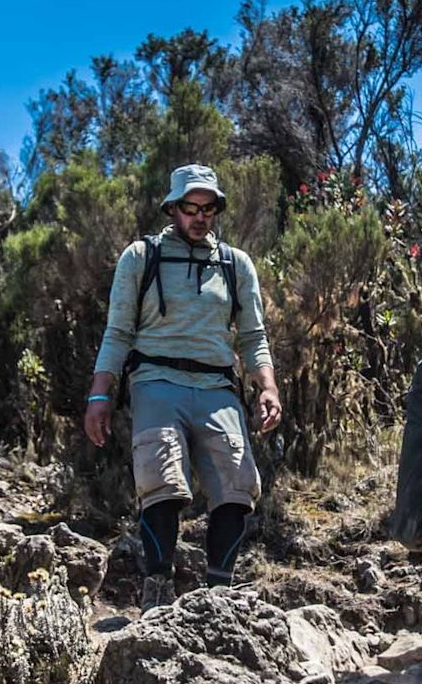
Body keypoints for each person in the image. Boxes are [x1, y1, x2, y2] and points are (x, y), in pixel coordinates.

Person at [84, 164, 282, 612]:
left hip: (217, 385)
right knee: (162, 482)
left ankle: (219, 595)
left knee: (237, 484)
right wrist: (101, 396)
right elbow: (117, 332)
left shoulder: (235, 264)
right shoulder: (141, 256)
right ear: (172, 208)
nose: (200, 217)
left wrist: (267, 387)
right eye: (190, 208)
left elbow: (253, 336)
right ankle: (157, 590)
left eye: (208, 208)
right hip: (155, 380)